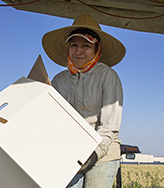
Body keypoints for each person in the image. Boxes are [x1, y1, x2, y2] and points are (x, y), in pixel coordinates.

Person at [42, 14, 126, 188]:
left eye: (85, 46)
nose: (78, 51)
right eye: (74, 45)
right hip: (70, 153)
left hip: (103, 154)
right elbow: (52, 118)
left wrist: (95, 154)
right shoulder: (59, 80)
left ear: (97, 49)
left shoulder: (107, 76)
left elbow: (110, 127)